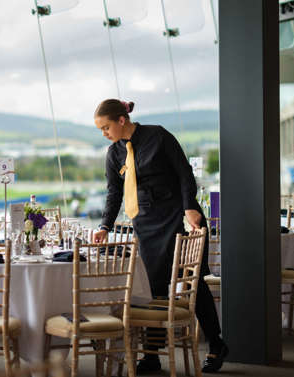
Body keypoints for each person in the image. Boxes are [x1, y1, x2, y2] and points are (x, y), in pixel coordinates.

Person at [91, 99, 227, 374]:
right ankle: (152, 354)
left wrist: (190, 207)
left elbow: (184, 173)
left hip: (178, 215)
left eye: (106, 127)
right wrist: (105, 226)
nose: (104, 133)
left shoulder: (158, 136)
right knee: (152, 287)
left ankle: (216, 344)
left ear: (121, 120)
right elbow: (114, 193)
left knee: (193, 283)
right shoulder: (113, 153)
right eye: (100, 129)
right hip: (146, 222)